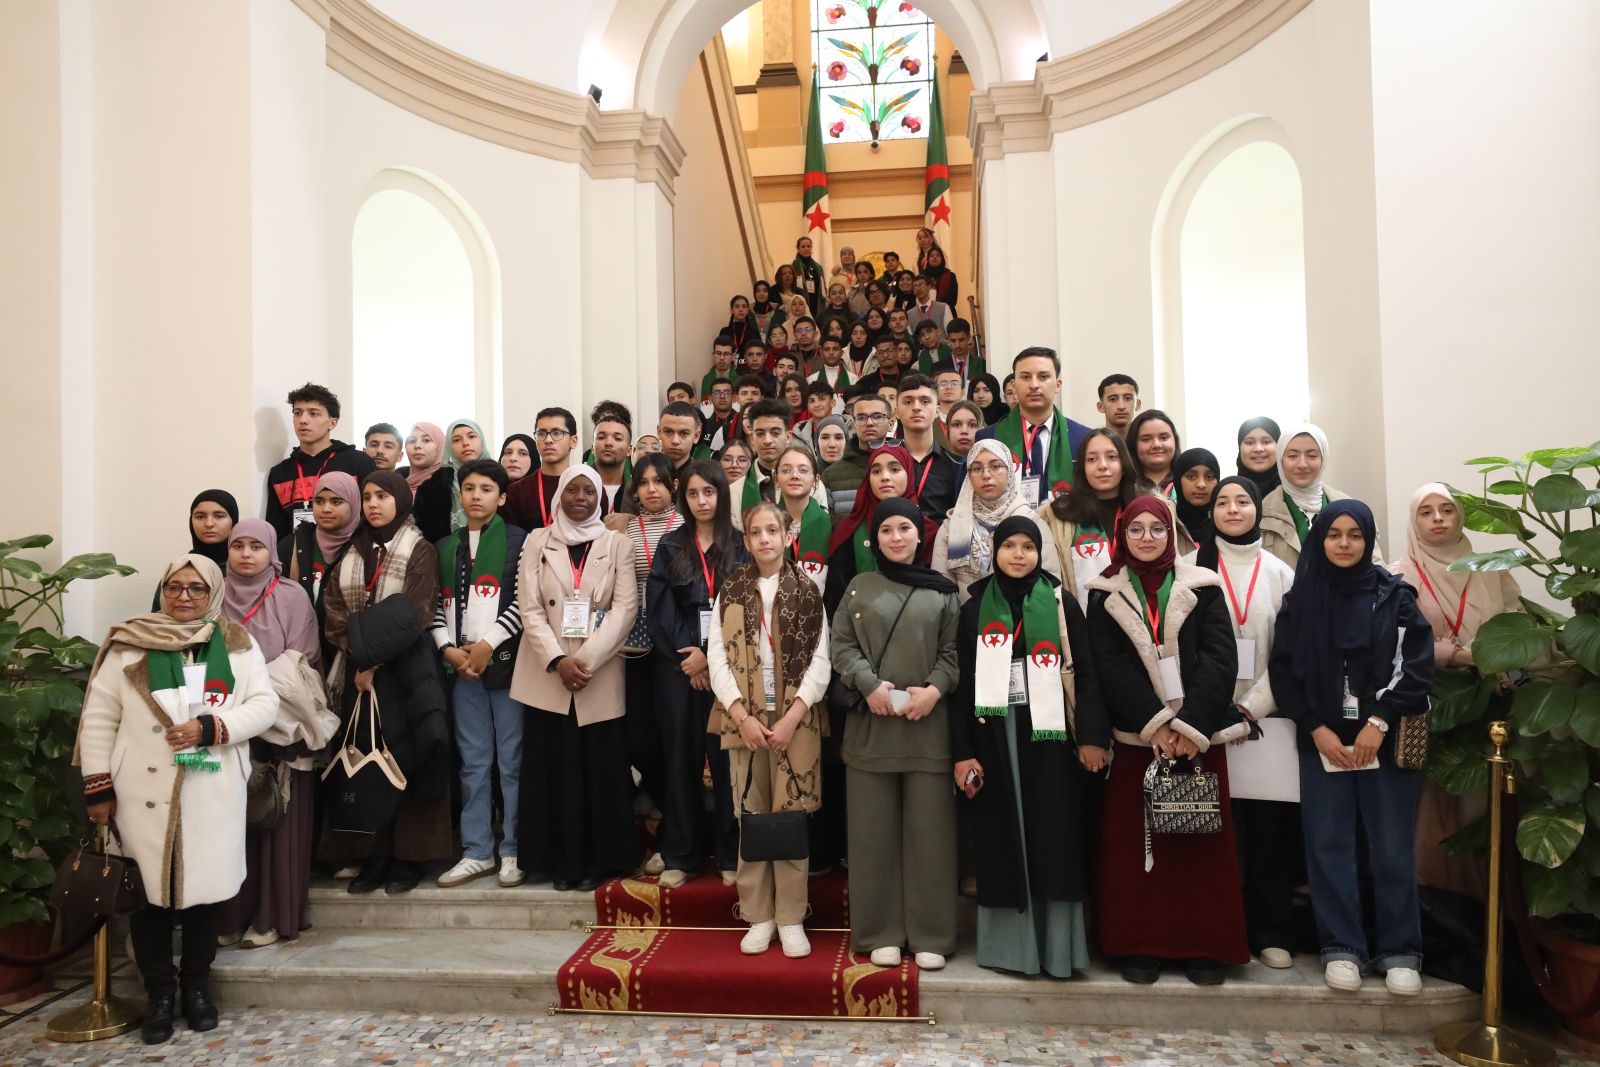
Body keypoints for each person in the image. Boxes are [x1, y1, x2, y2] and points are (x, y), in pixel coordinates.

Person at [79, 554, 280, 1044]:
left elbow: (264, 705)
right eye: (174, 587)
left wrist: (211, 727)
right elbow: (100, 718)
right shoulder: (129, 642)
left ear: (212, 592)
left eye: (195, 588)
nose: (184, 597)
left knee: (203, 897)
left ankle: (197, 990)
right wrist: (98, 786)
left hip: (211, 788)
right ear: (162, 590)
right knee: (149, 899)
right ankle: (160, 996)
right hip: (140, 792)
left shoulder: (236, 642)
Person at [1270, 501, 1433, 996]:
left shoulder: (1395, 596)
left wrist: (1379, 722)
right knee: (1328, 846)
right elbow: (1284, 672)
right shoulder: (1300, 601)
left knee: (1391, 848)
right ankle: (1341, 947)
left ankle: (1400, 951)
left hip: (1380, 738)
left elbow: (1417, 666)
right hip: (1323, 741)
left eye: (1355, 535)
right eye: (1334, 534)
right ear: (1319, 540)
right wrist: (1316, 728)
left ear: (1368, 540)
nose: (1344, 543)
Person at [1084, 497, 1248, 986]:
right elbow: (1107, 666)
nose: (1147, 538)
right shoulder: (1103, 592)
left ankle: (1204, 946)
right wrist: (1155, 724)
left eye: (1157, 528)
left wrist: (1190, 726)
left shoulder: (1204, 585)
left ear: (1172, 533)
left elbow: (1221, 657)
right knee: (1135, 848)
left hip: (1199, 739)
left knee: (1201, 849)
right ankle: (1139, 945)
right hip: (1140, 740)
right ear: (1122, 535)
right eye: (1136, 529)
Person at [951, 516, 1109, 977]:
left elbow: (1087, 673)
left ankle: (1057, 950)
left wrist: (1093, 737)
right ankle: (1011, 949)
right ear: (995, 551)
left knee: (1053, 836)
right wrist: (962, 751)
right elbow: (960, 689)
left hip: (1051, 738)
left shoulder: (1060, 603)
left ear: (1040, 553)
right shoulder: (974, 609)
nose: (1018, 555)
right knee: (1003, 838)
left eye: (1028, 546)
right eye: (1009, 546)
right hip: (995, 738)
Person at [831, 497, 962, 970]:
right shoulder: (858, 587)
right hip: (872, 729)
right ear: (875, 538)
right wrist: (868, 685)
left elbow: (953, 652)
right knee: (872, 838)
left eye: (905, 528)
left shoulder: (944, 592)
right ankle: (879, 931)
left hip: (928, 730)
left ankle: (931, 933)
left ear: (919, 534)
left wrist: (936, 689)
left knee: (931, 839)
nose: (896, 537)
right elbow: (841, 645)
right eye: (886, 530)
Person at [708, 501, 831, 957]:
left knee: (791, 817)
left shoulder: (807, 592)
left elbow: (822, 660)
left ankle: (791, 917)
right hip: (746, 719)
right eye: (756, 532)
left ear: (786, 536)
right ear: (746, 541)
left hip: (795, 720)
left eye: (772, 531)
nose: (764, 539)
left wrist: (793, 716)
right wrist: (741, 715)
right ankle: (759, 915)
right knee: (753, 816)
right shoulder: (731, 590)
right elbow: (716, 656)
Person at [1188, 477, 1299, 970]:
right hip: (1204, 721)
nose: (1232, 510)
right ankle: (1214, 930)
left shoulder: (1280, 572)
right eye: (1223, 502)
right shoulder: (1191, 568)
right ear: (1211, 511)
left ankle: (1270, 930)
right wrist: (1205, 709)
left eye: (1243, 502)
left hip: (1263, 721)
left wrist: (1252, 706)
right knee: (1210, 834)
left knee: (1267, 833)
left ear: (1257, 509)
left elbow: (1289, 652)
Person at [321, 471, 450, 896]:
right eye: (367, 497)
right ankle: (372, 855)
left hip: (407, 673)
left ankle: (407, 858)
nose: (374, 504)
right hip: (357, 678)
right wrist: (359, 653)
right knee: (366, 758)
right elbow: (333, 611)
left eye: (382, 496)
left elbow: (416, 611)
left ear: (400, 500)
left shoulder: (420, 549)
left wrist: (371, 658)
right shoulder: (351, 550)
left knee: (406, 757)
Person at [513, 465, 639, 891]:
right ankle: (557, 863)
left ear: (600, 498)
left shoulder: (617, 543)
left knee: (599, 771)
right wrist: (557, 660)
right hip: (547, 673)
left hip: (596, 673)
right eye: (572, 490)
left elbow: (626, 608)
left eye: (589, 491)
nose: (580, 497)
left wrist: (583, 661)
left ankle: (598, 863)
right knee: (551, 771)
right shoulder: (536, 540)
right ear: (559, 496)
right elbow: (529, 608)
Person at [1391, 483, 1521, 896]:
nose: (1438, 519)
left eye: (1447, 510)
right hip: (1430, 709)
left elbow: (1520, 631)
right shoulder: (1398, 576)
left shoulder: (1491, 570)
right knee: (1433, 817)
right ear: (1413, 521)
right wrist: (1447, 655)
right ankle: (1441, 913)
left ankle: (1490, 911)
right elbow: (1388, 645)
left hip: (1491, 706)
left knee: (1484, 811)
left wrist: (1480, 659)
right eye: (1426, 511)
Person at [217, 520, 328, 952]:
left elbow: (303, 658)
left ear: (272, 553)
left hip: (283, 726)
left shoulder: (291, 595)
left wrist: (251, 692)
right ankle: (229, 918)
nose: (246, 554)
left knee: (277, 825)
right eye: (238, 546)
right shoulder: (215, 594)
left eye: (256, 546)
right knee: (230, 830)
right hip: (226, 728)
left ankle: (271, 919)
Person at [646, 462, 745, 887]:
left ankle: (730, 852)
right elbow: (658, 608)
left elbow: (746, 608)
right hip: (678, 668)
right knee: (680, 758)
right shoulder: (671, 545)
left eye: (709, 492)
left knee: (728, 761)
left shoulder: (740, 545)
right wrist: (690, 657)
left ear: (721, 494)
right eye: (692, 493)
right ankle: (680, 854)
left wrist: (711, 657)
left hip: (730, 669)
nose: (702, 501)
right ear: (682, 498)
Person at [432, 460, 529, 890]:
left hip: (505, 665)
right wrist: (448, 650)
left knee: (512, 762)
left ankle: (514, 849)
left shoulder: (520, 541)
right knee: (473, 763)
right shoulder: (444, 545)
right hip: (461, 670)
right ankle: (476, 851)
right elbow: (434, 604)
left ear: (502, 497)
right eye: (469, 488)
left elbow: (525, 601)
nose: (476, 496)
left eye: (486, 489)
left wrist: (488, 643)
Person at [605, 452, 681, 834]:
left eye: (659, 482)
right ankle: (665, 804)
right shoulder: (625, 530)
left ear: (674, 486)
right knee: (637, 738)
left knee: (673, 734)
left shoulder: (686, 525)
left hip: (675, 643)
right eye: (644, 483)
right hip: (635, 644)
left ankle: (675, 821)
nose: (651, 490)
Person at [933, 439, 1062, 600]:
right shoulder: (952, 526)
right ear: (969, 476)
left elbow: (1049, 585)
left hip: (1021, 614)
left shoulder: (1033, 523)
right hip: (965, 614)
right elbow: (942, 590)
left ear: (1009, 471)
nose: (986, 475)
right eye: (977, 468)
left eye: (995, 466)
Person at [976, 348, 1093, 507]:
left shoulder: (1082, 438)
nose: (1034, 385)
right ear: (1014, 385)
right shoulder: (988, 438)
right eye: (1025, 377)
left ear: (1057, 385)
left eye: (1043, 377)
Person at [1038, 428, 1140, 608]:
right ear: (1082, 467)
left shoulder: (1147, 509)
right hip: (1083, 617)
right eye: (1092, 459)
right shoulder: (1058, 517)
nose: (1102, 465)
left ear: (1124, 463)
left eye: (1111, 457)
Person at [1259, 423, 1381, 568]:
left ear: (1323, 459)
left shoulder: (1351, 508)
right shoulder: (1262, 513)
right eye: (1292, 456)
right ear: (1281, 460)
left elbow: (1375, 565)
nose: (1302, 464)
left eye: (1312, 455)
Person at [266, 383, 375, 540]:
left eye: (313, 413)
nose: (303, 420)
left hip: (350, 549)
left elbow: (371, 516)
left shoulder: (358, 462)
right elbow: (277, 533)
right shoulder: (280, 474)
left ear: (332, 423)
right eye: (297, 413)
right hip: (297, 552)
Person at [283, 471, 360, 612]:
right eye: (319, 501)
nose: (326, 509)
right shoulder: (294, 543)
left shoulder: (367, 546)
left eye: (336, 502)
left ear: (353, 503)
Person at [894, 373, 960, 521]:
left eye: (925, 401)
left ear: (937, 411)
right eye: (908, 401)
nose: (916, 407)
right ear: (896, 412)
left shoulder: (956, 464)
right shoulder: (885, 461)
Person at [505, 407, 577, 531]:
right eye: (541, 434)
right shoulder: (517, 491)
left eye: (557, 433)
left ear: (573, 441)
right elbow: (512, 538)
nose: (548, 440)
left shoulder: (588, 487)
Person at [772, 443, 831, 592]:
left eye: (803, 470)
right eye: (786, 470)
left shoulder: (830, 525)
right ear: (776, 480)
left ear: (816, 480)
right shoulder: (765, 523)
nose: (795, 476)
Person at [401, 422, 457, 543]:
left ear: (441, 446)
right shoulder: (397, 484)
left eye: (426, 440)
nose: (417, 446)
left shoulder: (452, 484)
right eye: (411, 441)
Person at [1172, 448, 1221, 555]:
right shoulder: (1165, 526)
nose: (1201, 484)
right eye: (1191, 476)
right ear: (1177, 480)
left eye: (1209, 477)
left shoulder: (1227, 525)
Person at [1126, 410, 1181, 497]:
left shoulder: (1187, 482)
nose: (1156, 445)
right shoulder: (1123, 486)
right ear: (1134, 444)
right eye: (1146, 439)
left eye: (1163, 437)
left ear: (1175, 441)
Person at [591, 405, 633, 513]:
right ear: (592, 448)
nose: (608, 443)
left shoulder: (638, 491)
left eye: (617, 438)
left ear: (629, 450)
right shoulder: (575, 485)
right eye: (601, 437)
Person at [656, 401, 704, 485]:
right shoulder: (645, 475)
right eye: (668, 432)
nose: (675, 441)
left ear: (696, 436)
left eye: (684, 433)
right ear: (659, 432)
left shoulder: (705, 478)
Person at [1235, 417, 1282, 497]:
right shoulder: (1226, 493)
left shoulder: (1297, 492)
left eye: (1266, 441)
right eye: (1249, 442)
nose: (1258, 449)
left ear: (1279, 446)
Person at [1095, 375, 1141, 440]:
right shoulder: (1092, 444)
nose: (1121, 406)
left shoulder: (1149, 444)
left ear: (1138, 404)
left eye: (1128, 398)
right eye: (1113, 399)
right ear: (1100, 406)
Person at [699, 334, 739, 401]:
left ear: (733, 356)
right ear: (713, 355)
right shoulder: (706, 379)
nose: (722, 358)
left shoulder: (740, 379)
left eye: (726, 354)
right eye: (718, 353)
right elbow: (705, 404)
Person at [943, 319, 982, 384]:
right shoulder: (939, 367)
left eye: (961, 340)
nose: (957, 345)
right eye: (953, 340)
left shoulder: (982, 364)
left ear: (969, 337)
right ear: (948, 340)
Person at [792, 236, 825, 313]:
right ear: (798, 249)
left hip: (817, 304)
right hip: (800, 305)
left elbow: (823, 288)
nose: (806, 249)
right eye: (803, 247)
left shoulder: (818, 267)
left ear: (811, 248)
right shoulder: (793, 267)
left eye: (808, 246)